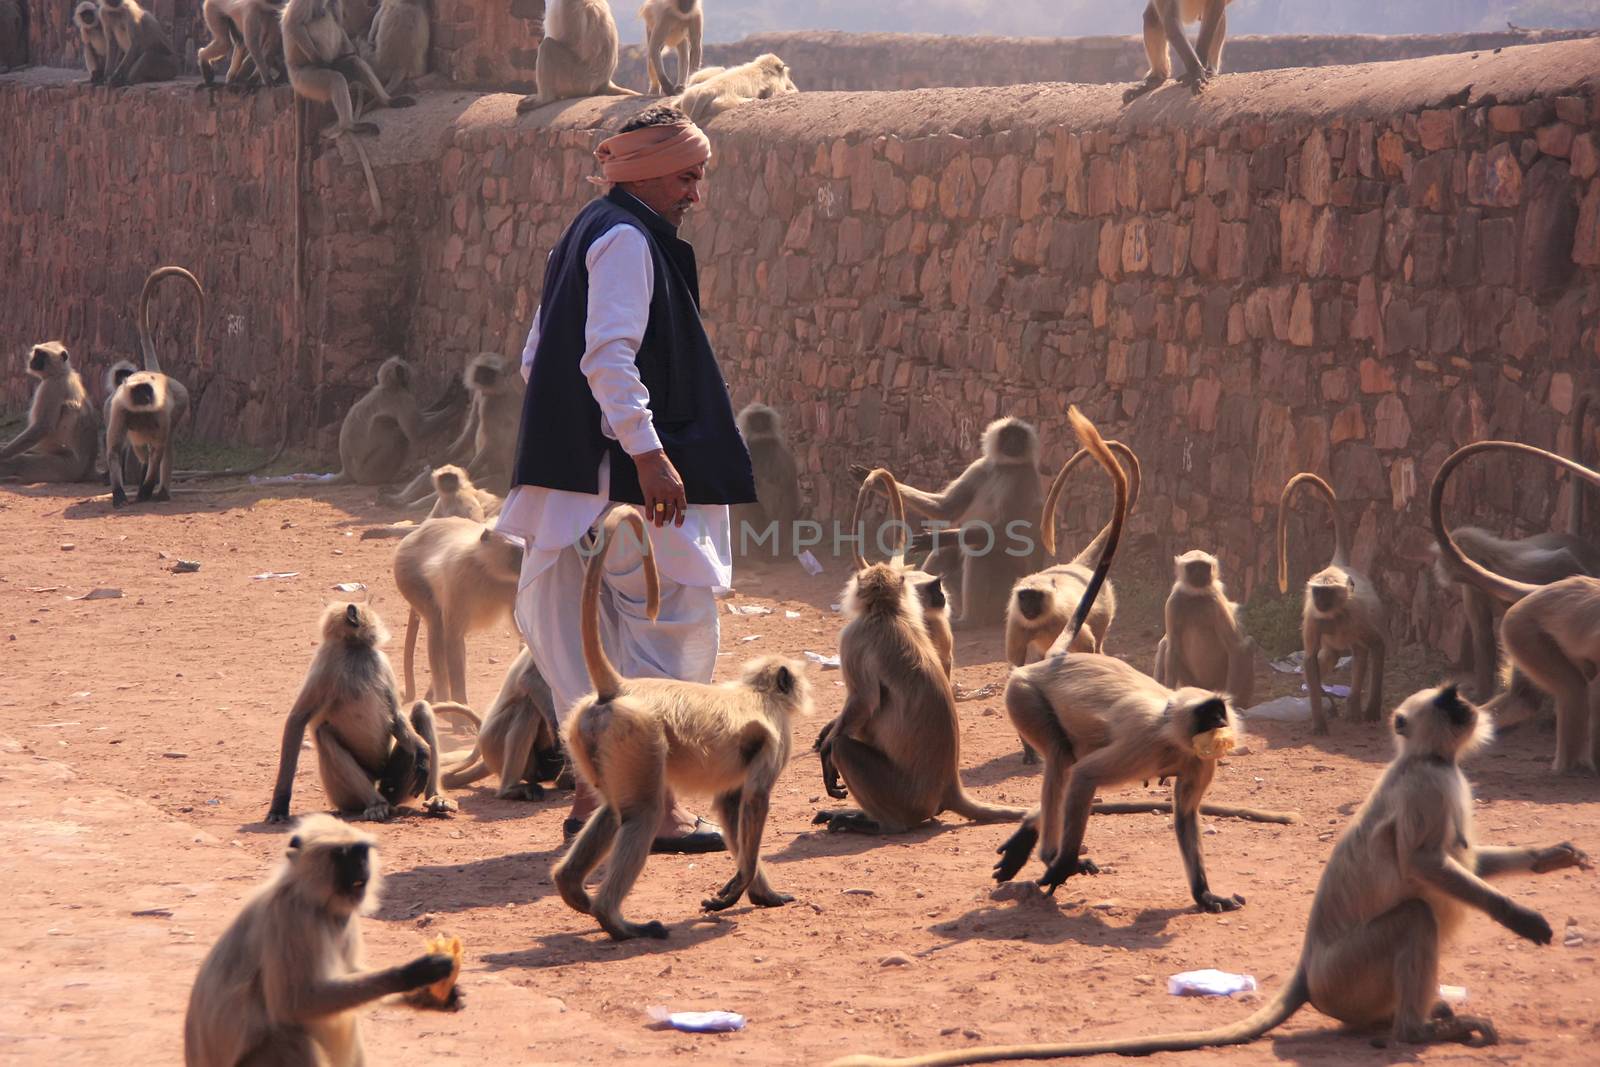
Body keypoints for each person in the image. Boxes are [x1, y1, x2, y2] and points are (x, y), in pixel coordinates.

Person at [500, 104, 756, 854]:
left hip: (576, 485)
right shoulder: (625, 240)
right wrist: (643, 451)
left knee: (589, 641)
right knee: (664, 635)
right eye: (686, 176)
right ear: (646, 174)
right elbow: (606, 356)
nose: (695, 194)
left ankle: (593, 795)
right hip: (627, 489)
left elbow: (535, 358)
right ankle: (656, 808)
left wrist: (580, 442)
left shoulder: (589, 228)